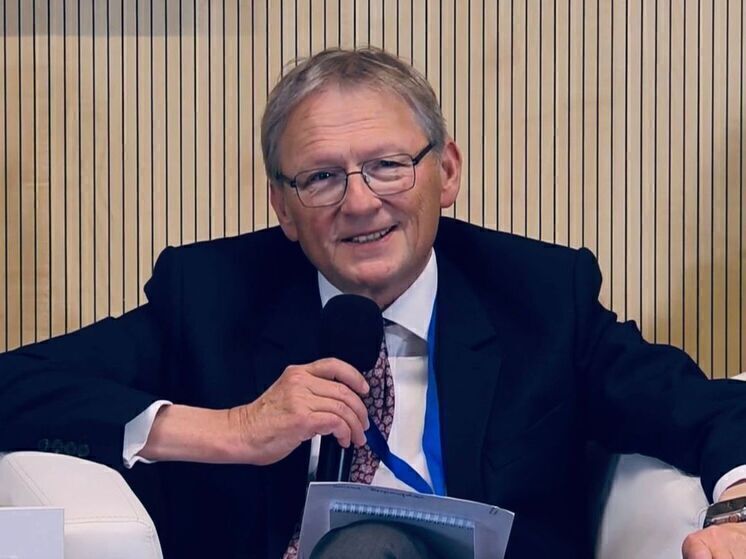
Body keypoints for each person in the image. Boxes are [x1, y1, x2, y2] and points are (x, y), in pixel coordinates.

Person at [1, 47, 746, 559]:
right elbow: (15, 384)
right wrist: (232, 429)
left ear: (446, 172)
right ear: (283, 206)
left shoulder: (541, 295)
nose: (359, 203)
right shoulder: (212, 296)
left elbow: (703, 405)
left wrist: (738, 512)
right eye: (322, 177)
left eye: (388, 165)